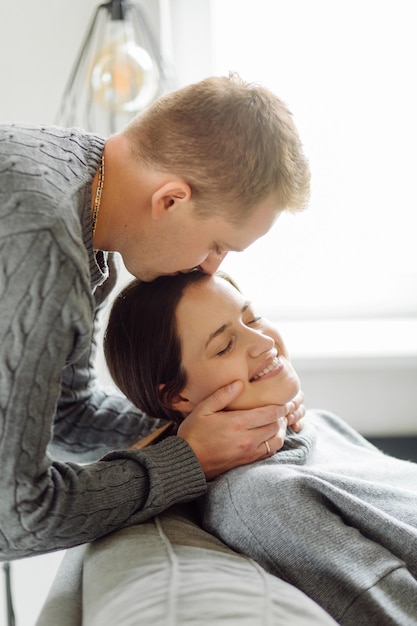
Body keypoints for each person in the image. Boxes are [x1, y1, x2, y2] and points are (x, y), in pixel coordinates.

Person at [0, 74, 310, 560]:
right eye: (218, 245)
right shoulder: (44, 242)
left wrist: (228, 421)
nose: (211, 268)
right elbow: (14, 517)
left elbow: (68, 415)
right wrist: (186, 459)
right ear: (171, 200)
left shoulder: (85, 194)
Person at [104, 270, 417, 626]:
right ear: (178, 395)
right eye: (225, 346)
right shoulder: (263, 497)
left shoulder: (318, 423)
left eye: (251, 318)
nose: (262, 342)